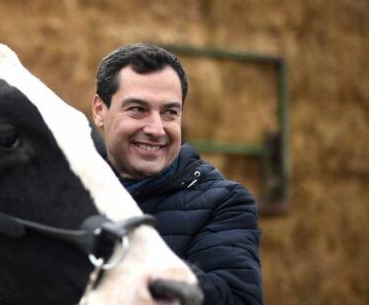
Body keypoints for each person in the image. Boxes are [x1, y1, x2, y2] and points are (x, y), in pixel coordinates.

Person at [91, 43, 262, 304]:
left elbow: (237, 298)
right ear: (99, 111)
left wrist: (143, 264)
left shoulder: (224, 203)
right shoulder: (65, 190)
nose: (156, 129)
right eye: (138, 109)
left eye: (170, 112)